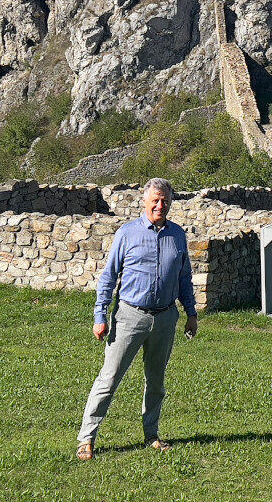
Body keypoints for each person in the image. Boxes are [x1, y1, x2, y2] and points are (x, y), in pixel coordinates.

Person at [76, 177, 198, 460]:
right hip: (130, 316)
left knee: (156, 382)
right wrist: (100, 315)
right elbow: (108, 278)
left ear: (170, 203)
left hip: (165, 318)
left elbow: (184, 278)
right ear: (144, 202)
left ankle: (151, 435)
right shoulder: (127, 234)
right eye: (154, 200)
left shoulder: (177, 235)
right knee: (109, 380)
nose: (160, 205)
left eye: (165, 200)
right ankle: (86, 439)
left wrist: (191, 314)